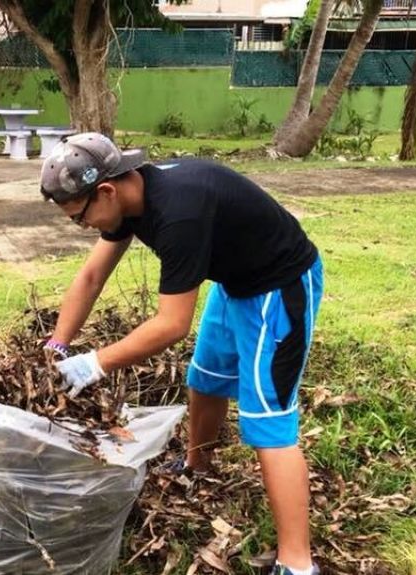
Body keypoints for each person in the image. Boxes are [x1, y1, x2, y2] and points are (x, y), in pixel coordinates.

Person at [40, 133, 324, 575]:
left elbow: (171, 325)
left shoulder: (178, 214)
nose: (84, 227)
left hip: (278, 288)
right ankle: (199, 465)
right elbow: (93, 275)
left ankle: (297, 562)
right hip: (236, 284)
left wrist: (94, 362)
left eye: (80, 218)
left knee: (268, 424)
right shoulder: (131, 199)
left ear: (107, 190)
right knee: (205, 379)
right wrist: (58, 344)